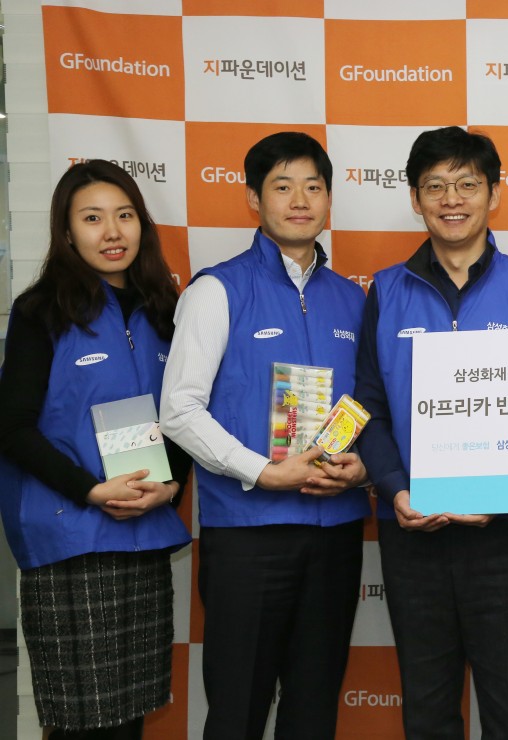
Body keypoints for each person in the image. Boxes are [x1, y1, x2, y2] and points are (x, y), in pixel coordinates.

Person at [356, 125, 508, 739]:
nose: (452, 200)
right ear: (415, 199)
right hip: (411, 528)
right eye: (435, 187)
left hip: (506, 536)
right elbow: (368, 406)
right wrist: (396, 489)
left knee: (507, 710)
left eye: (467, 185)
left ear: (494, 195)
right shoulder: (387, 290)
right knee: (426, 711)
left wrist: (500, 497)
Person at [160, 132, 369, 739]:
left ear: (329, 198)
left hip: (335, 533)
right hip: (249, 535)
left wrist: (363, 468)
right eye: (282, 186)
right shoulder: (217, 290)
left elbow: (370, 407)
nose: (300, 200)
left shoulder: (353, 299)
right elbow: (179, 410)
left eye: (313, 186)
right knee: (238, 713)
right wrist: (263, 471)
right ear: (254, 198)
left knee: (314, 711)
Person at [0, 160, 191, 739]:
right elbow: (12, 427)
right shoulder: (41, 312)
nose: (112, 232)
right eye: (92, 218)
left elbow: (183, 417)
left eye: (125, 215)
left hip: (143, 537)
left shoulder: (165, 310)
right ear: (66, 230)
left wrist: (172, 485)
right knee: (81, 725)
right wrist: (89, 489)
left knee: (128, 720)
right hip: (72, 542)